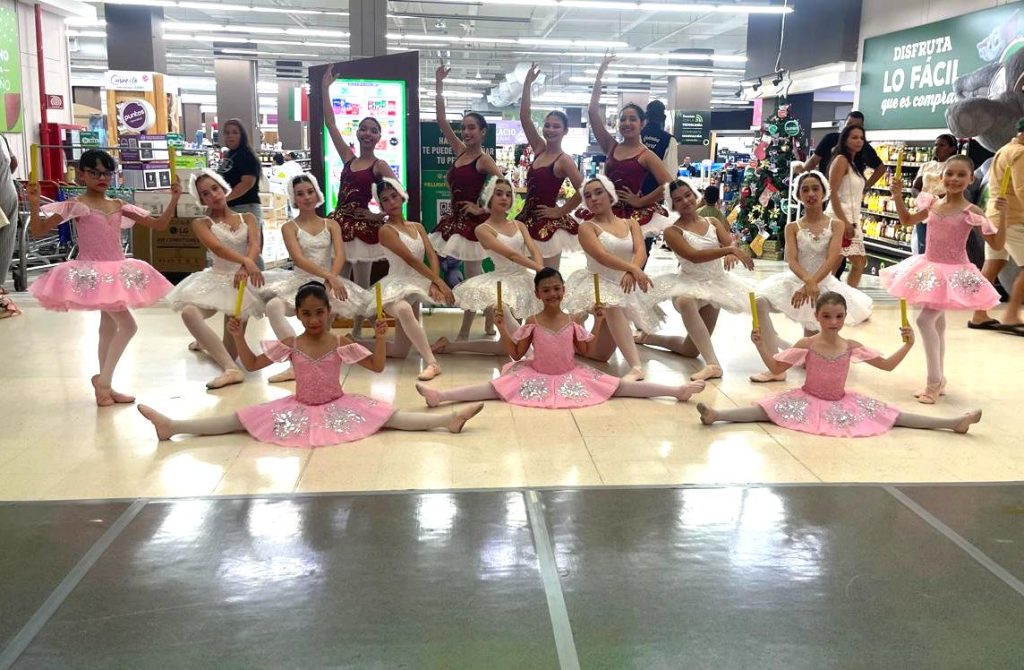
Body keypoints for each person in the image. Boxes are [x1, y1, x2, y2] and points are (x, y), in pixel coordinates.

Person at [139, 282, 484, 445]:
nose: (314, 319)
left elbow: (378, 367)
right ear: (299, 315)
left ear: (329, 312)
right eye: (306, 313)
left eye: (320, 312)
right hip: (299, 407)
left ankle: (448, 420)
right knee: (239, 420)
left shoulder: (341, 342)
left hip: (338, 405)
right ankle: (174, 425)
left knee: (390, 417)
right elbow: (253, 363)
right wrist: (239, 337)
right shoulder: (291, 343)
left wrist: (381, 338)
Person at [697, 292, 983, 435]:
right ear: (817, 317)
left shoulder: (851, 346)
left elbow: (887, 366)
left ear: (845, 317)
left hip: (842, 402)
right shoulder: (807, 344)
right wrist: (760, 345)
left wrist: (907, 345)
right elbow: (775, 368)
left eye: (838, 316)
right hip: (807, 399)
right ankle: (717, 415)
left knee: (894, 415)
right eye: (827, 316)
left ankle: (953, 423)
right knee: (764, 410)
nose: (833, 322)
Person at [415, 268, 705, 409]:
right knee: (494, 388)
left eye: (557, 289)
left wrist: (599, 322)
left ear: (563, 290)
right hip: (535, 373)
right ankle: (441, 396)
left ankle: (675, 391)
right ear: (537, 294)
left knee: (619, 386)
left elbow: (587, 349)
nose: (552, 294)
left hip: (571, 374)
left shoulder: (571, 321)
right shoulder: (532, 321)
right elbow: (516, 353)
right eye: (546, 290)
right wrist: (502, 328)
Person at [26, 149, 180, 405]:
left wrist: (173, 199)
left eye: (107, 173)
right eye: (95, 173)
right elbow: (39, 230)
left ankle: (105, 385)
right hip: (94, 272)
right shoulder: (77, 205)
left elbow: (159, 225)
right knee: (128, 326)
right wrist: (34, 204)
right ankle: (104, 383)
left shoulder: (118, 205)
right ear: (82, 175)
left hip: (117, 271)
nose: (102, 178)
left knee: (108, 328)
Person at [883, 156, 1007, 403]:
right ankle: (939, 380)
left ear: (971, 179)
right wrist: (897, 196)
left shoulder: (971, 212)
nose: (954, 179)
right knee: (937, 324)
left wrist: (1002, 215)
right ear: (941, 177)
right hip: (929, 268)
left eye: (961, 175)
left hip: (953, 273)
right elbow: (907, 221)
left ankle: (933, 383)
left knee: (924, 321)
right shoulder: (932, 203)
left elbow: (997, 243)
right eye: (950, 173)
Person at [637, 179, 777, 382]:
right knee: (685, 301)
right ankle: (713, 365)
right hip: (690, 283)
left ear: (695, 195)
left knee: (690, 350)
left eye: (687, 195)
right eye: (678, 199)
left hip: (716, 284)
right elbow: (693, 256)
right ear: (673, 205)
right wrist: (728, 251)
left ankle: (647, 338)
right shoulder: (672, 232)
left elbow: (729, 242)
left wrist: (731, 250)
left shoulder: (712, 222)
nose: (685, 201)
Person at [260, 173, 369, 383]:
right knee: (273, 306)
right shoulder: (289, 227)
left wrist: (331, 279)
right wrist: (329, 276)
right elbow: (299, 259)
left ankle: (322, 360)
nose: (307, 197)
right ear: (294, 198)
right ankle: (295, 362)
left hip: (328, 281)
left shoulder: (331, 224)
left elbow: (340, 255)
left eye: (310, 192)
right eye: (300, 194)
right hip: (300, 281)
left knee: (330, 315)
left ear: (317, 193)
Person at [166, 170, 266, 390]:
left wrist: (245, 266)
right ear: (201, 200)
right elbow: (217, 248)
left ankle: (205, 343)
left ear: (223, 188)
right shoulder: (201, 223)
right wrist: (246, 262)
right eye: (205, 193)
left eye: (215, 188)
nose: (213, 195)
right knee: (189, 312)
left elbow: (254, 244)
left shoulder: (248, 217)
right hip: (215, 278)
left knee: (230, 349)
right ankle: (231, 370)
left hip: (241, 282)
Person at [562, 176, 662, 381]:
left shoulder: (631, 223)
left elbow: (641, 251)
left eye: (598, 192)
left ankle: (575, 335)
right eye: (588, 196)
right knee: (612, 305)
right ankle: (636, 367)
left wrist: (631, 272)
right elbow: (602, 256)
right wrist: (632, 269)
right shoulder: (587, 227)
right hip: (597, 284)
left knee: (600, 355)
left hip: (624, 283)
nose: (593, 198)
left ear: (610, 194)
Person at [321, 68, 397, 333]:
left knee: (362, 284)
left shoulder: (379, 165)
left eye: (373, 130)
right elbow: (331, 125)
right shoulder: (348, 157)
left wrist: (379, 215)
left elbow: (399, 193)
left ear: (378, 137)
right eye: (363, 129)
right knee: (338, 280)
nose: (367, 133)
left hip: (363, 228)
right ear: (357, 132)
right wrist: (325, 88)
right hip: (339, 225)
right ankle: (328, 331)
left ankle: (356, 331)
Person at [432, 177, 544, 357]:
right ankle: (535, 357)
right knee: (503, 311)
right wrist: (540, 269)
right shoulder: (482, 229)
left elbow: (534, 249)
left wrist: (541, 272)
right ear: (490, 197)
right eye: (499, 193)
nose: (504, 198)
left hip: (524, 280)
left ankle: (449, 346)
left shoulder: (519, 225)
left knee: (504, 349)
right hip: (501, 282)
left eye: (508, 194)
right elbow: (511, 255)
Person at [431, 63, 504, 339]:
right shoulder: (460, 151)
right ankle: (488, 320)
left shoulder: (483, 160)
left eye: (472, 128)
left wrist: (482, 207)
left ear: (483, 132)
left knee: (474, 277)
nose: (466, 132)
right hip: (455, 221)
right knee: (474, 277)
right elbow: (441, 121)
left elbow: (503, 185)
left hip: (472, 225)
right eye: (464, 128)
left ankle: (469, 328)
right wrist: (439, 86)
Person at [356, 178, 454, 381]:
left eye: (394, 196)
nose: (391, 202)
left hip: (416, 283)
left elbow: (431, 255)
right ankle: (432, 363)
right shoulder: (386, 231)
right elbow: (411, 260)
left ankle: (351, 342)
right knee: (403, 309)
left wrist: (434, 282)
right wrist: (440, 282)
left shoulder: (417, 226)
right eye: (385, 199)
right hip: (395, 285)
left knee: (400, 351)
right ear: (381, 205)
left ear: (402, 197)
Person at [755, 170, 872, 337]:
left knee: (814, 332)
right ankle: (776, 344)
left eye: (815, 189)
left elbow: (832, 258)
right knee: (760, 302)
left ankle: (806, 349)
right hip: (796, 280)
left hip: (824, 282)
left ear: (823, 192)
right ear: (798, 195)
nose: (811, 194)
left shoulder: (836, 225)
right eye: (805, 190)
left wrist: (811, 284)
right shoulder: (792, 227)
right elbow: (792, 260)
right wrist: (808, 281)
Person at [578, 56, 674, 239]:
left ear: (642, 124)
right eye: (623, 119)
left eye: (632, 119)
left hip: (636, 218)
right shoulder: (611, 146)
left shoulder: (646, 155)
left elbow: (669, 184)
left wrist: (641, 201)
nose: (627, 123)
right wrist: (599, 77)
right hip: (608, 211)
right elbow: (592, 112)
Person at [517, 63, 584, 270]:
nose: (550, 129)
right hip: (526, 219)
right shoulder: (539, 148)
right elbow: (524, 117)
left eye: (556, 126)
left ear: (565, 131)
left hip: (548, 224)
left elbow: (584, 190)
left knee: (548, 274)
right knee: (527, 275)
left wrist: (561, 211)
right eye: (547, 125)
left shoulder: (564, 160)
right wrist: (527, 84)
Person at [970, 119, 1024, 334]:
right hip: (1011, 218)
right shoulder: (1020, 153)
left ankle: (979, 314)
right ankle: (1011, 315)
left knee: (993, 264)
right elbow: (1022, 190)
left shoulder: (1004, 150)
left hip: (995, 215)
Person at [217, 119, 265, 268]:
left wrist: (224, 199)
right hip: (231, 208)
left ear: (242, 135)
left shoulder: (246, 156)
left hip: (246, 207)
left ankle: (258, 278)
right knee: (235, 250)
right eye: (227, 133)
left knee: (251, 249)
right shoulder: (230, 155)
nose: (230, 136)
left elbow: (247, 183)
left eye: (235, 132)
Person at [827, 125, 870, 287]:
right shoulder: (841, 160)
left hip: (852, 219)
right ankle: (826, 295)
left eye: (861, 138)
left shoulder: (853, 164)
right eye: (854, 137)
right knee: (835, 264)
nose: (859, 141)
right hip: (839, 218)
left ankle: (844, 295)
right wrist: (844, 222)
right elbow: (832, 193)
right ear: (844, 140)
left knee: (856, 262)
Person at [800, 111, 884, 189]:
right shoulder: (831, 139)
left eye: (856, 126)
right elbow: (813, 161)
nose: (851, 129)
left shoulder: (864, 146)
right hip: (828, 190)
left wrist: (866, 187)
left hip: (852, 192)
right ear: (844, 125)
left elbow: (881, 168)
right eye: (849, 125)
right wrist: (801, 181)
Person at [910, 133, 959, 254]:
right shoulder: (926, 166)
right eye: (935, 145)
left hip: (944, 213)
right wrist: (923, 197)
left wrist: (937, 199)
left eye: (942, 145)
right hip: (924, 212)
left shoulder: (956, 167)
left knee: (940, 248)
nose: (937, 148)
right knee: (923, 247)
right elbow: (915, 188)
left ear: (952, 148)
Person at [640, 99, 679, 195]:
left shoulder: (637, 136)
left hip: (636, 194)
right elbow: (671, 177)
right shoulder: (669, 140)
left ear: (646, 116)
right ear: (664, 118)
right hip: (657, 197)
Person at [0, 136, 19, 316]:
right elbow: (14, 162)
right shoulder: (2, 137)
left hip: (5, 192)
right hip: (7, 190)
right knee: (5, 240)